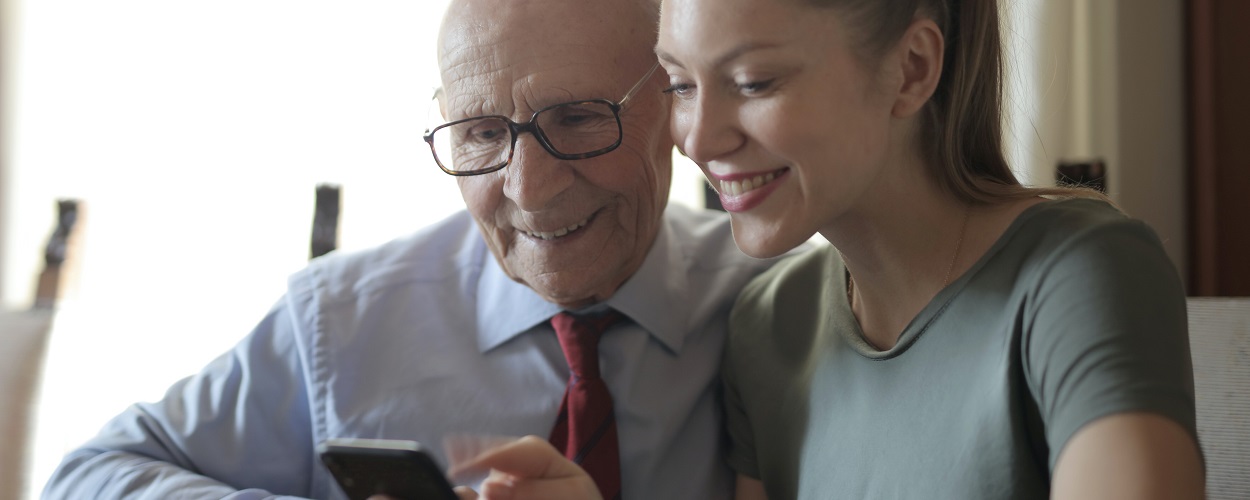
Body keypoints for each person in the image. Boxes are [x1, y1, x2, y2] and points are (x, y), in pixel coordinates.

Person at [463, 0, 1206, 498]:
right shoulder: (769, 323)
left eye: (753, 82)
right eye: (681, 85)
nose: (699, 136)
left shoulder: (1080, 272)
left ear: (911, 68)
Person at [41, 0, 782, 498]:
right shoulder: (340, 320)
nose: (528, 189)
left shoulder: (782, 303)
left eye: (580, 118)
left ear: (676, 103)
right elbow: (85, 476)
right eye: (483, 133)